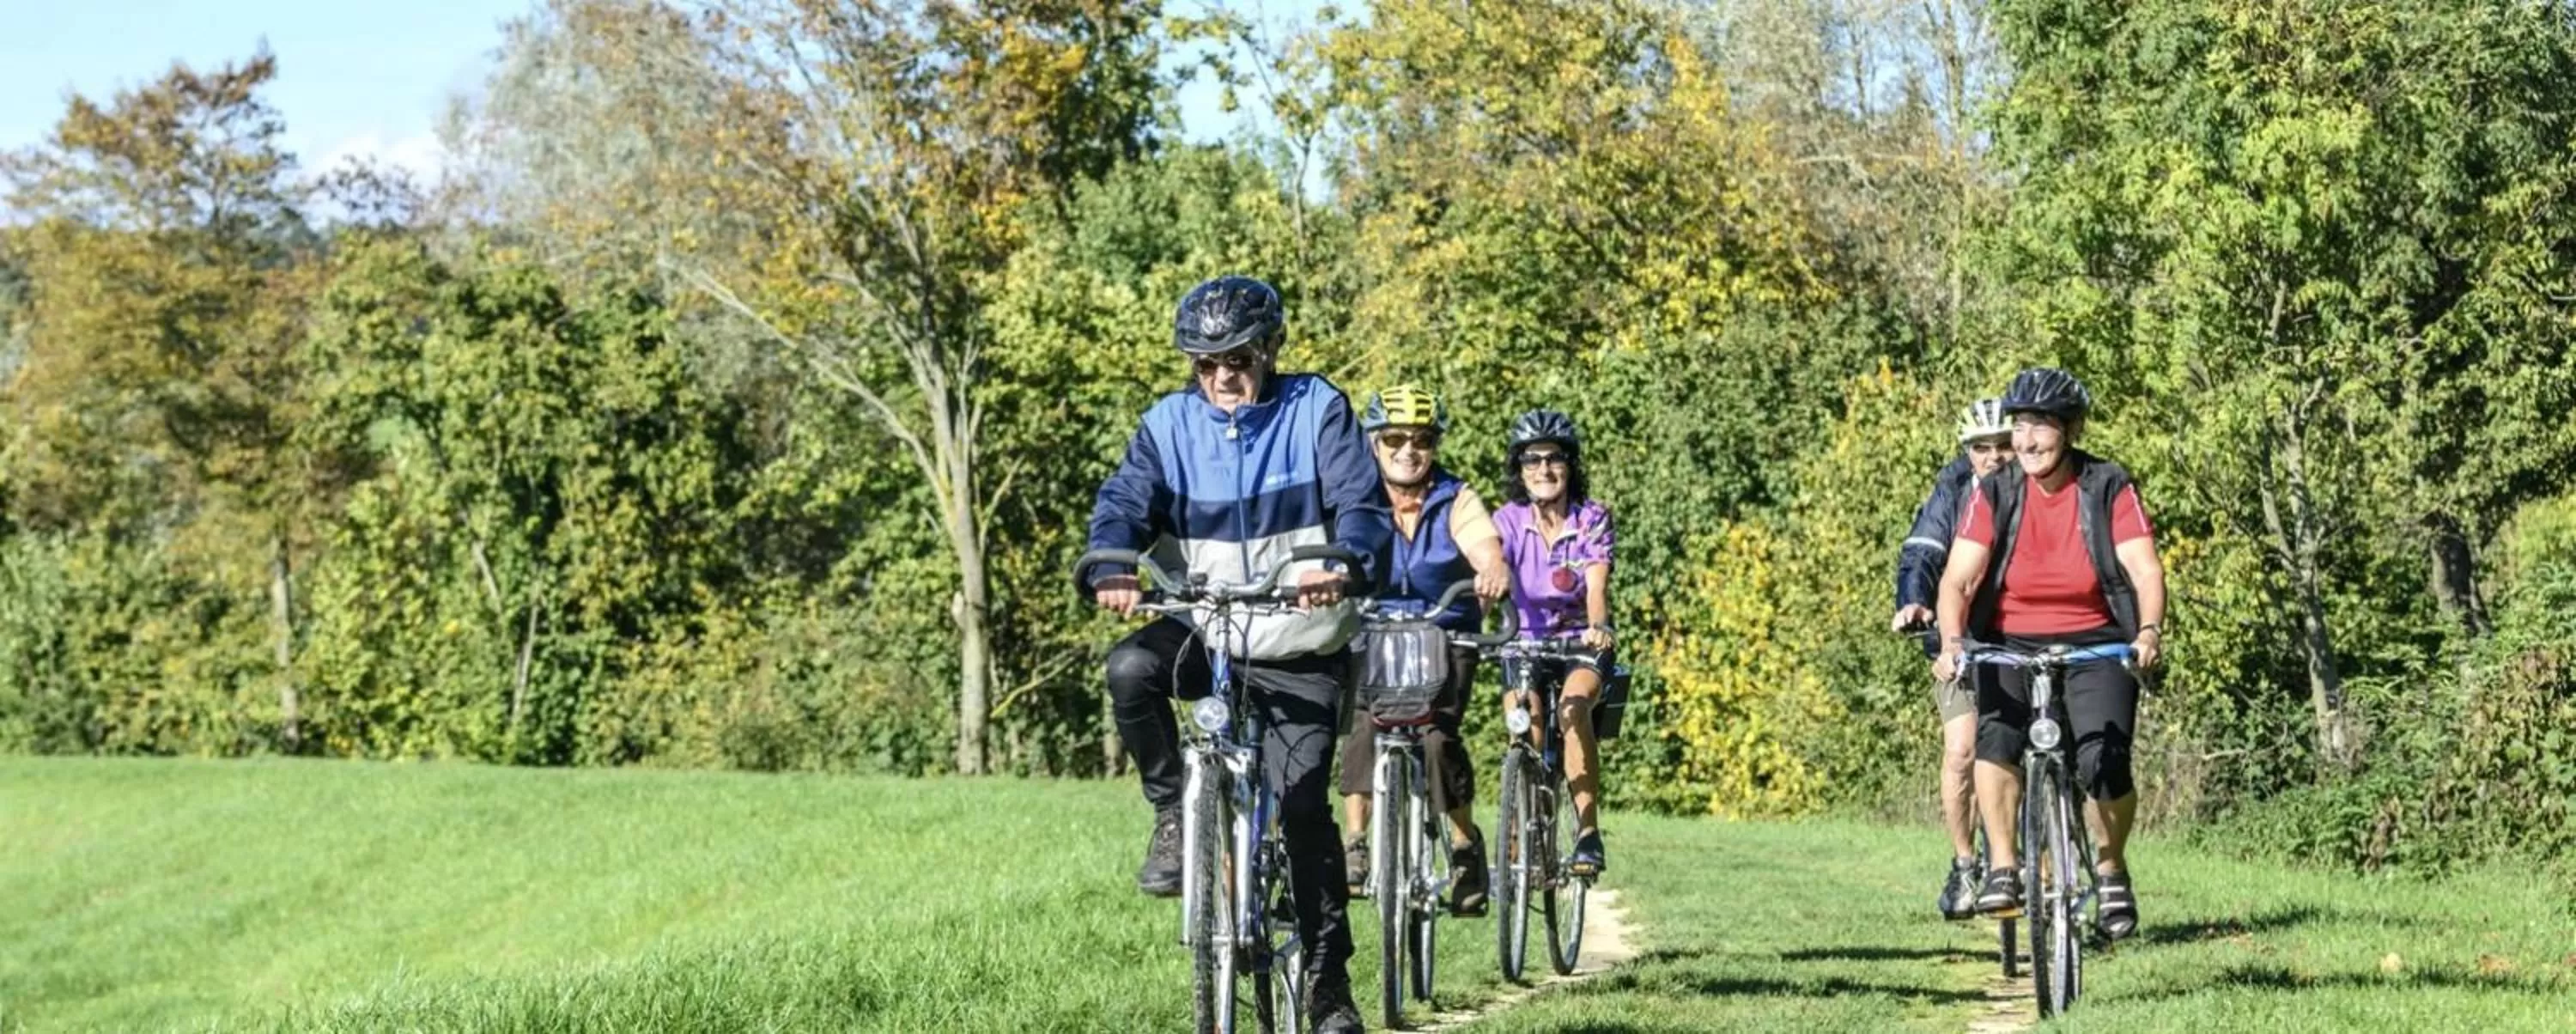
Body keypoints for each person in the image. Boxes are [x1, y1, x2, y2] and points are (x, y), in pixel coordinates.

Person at [1084, 275, 1389, 1032]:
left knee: (1302, 805)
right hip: (1209, 626)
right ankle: (1170, 817)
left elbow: (1362, 505)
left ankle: (1327, 987)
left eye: (1239, 358)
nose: (1223, 376)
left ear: (1270, 350)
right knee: (1130, 669)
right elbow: (1125, 501)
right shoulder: (1168, 425)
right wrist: (1112, 561)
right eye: (1204, 362)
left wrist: (1343, 559)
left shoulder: (1317, 408)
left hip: (1301, 640)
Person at [1932, 368, 2168, 941]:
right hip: (2009, 642)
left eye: (2041, 426)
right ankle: (2005, 868)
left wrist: (2150, 633)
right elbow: (1958, 581)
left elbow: (2144, 568)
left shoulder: (2107, 484)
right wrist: (1954, 644)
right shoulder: (1996, 490)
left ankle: (2110, 868)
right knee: (1998, 739)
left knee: (2102, 762)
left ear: (2069, 431)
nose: (2027, 440)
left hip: (2098, 640)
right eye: (2020, 426)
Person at [1337, 385, 1513, 915]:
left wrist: (1492, 569)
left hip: (1445, 633)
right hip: (1372, 633)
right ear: (1374, 442)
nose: (1408, 450)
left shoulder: (1455, 497)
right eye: (1394, 438)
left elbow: (1484, 544)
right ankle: (1355, 845)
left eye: (1422, 439)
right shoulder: (1355, 497)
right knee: (1363, 726)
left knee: (1438, 739)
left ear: (1435, 445)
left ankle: (1463, 848)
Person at [1893, 398, 2014, 920]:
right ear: (1967, 451)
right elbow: (1922, 549)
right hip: (1958, 638)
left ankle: (2048, 867)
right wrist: (1914, 600)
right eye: (1982, 448)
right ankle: (1965, 862)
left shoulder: (2038, 488)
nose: (1994, 457)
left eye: (2004, 445)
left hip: (2022, 637)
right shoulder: (1953, 488)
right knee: (1962, 751)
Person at [1492, 410, 1616, 876]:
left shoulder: (1591, 518)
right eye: (1532, 460)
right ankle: (1528, 827)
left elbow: (1597, 586)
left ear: (1570, 465)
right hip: (1523, 641)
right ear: (1519, 469)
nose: (1543, 470)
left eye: (1554, 458)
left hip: (1579, 639)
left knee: (1571, 708)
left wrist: (1597, 625)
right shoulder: (1505, 520)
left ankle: (1587, 833)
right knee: (1525, 726)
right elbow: (1491, 571)